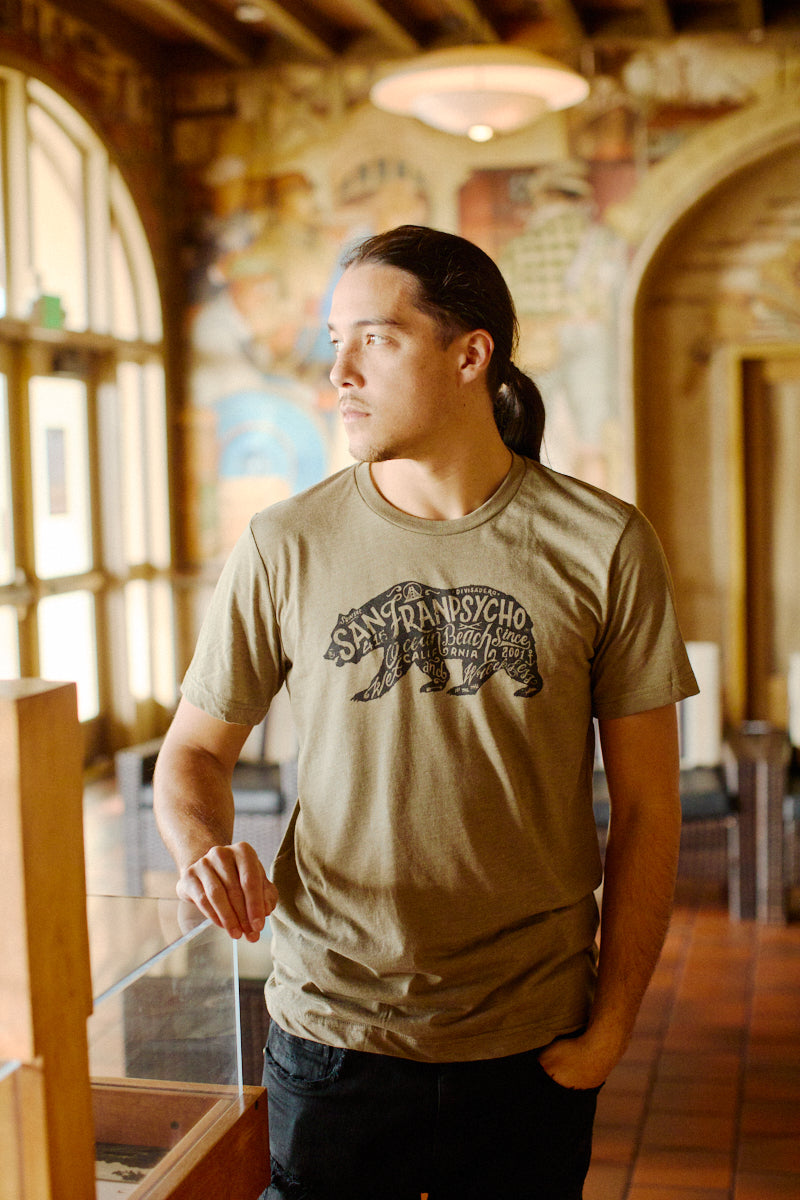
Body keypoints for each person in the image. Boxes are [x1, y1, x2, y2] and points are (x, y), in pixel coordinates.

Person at [153, 224, 698, 1200]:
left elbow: (650, 808)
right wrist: (203, 849)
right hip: (333, 1032)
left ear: (468, 354)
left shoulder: (602, 543)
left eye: (375, 339)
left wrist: (613, 1025)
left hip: (530, 1039)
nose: (339, 373)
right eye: (334, 343)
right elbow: (192, 752)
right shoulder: (285, 543)